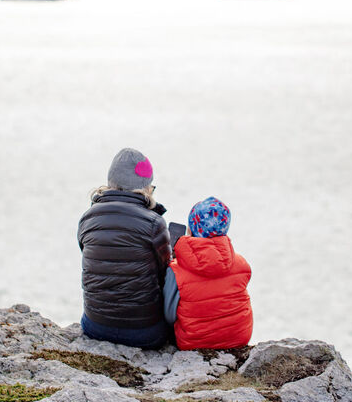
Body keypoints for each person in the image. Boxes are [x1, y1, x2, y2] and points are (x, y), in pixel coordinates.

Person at [77, 148, 171, 349]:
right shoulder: (154, 223)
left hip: (95, 327)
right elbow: (165, 274)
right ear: (146, 188)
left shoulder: (88, 217)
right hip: (143, 333)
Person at [163, 197, 253, 349]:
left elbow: (169, 316)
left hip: (193, 342)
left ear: (191, 229)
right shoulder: (241, 264)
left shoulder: (175, 270)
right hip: (239, 337)